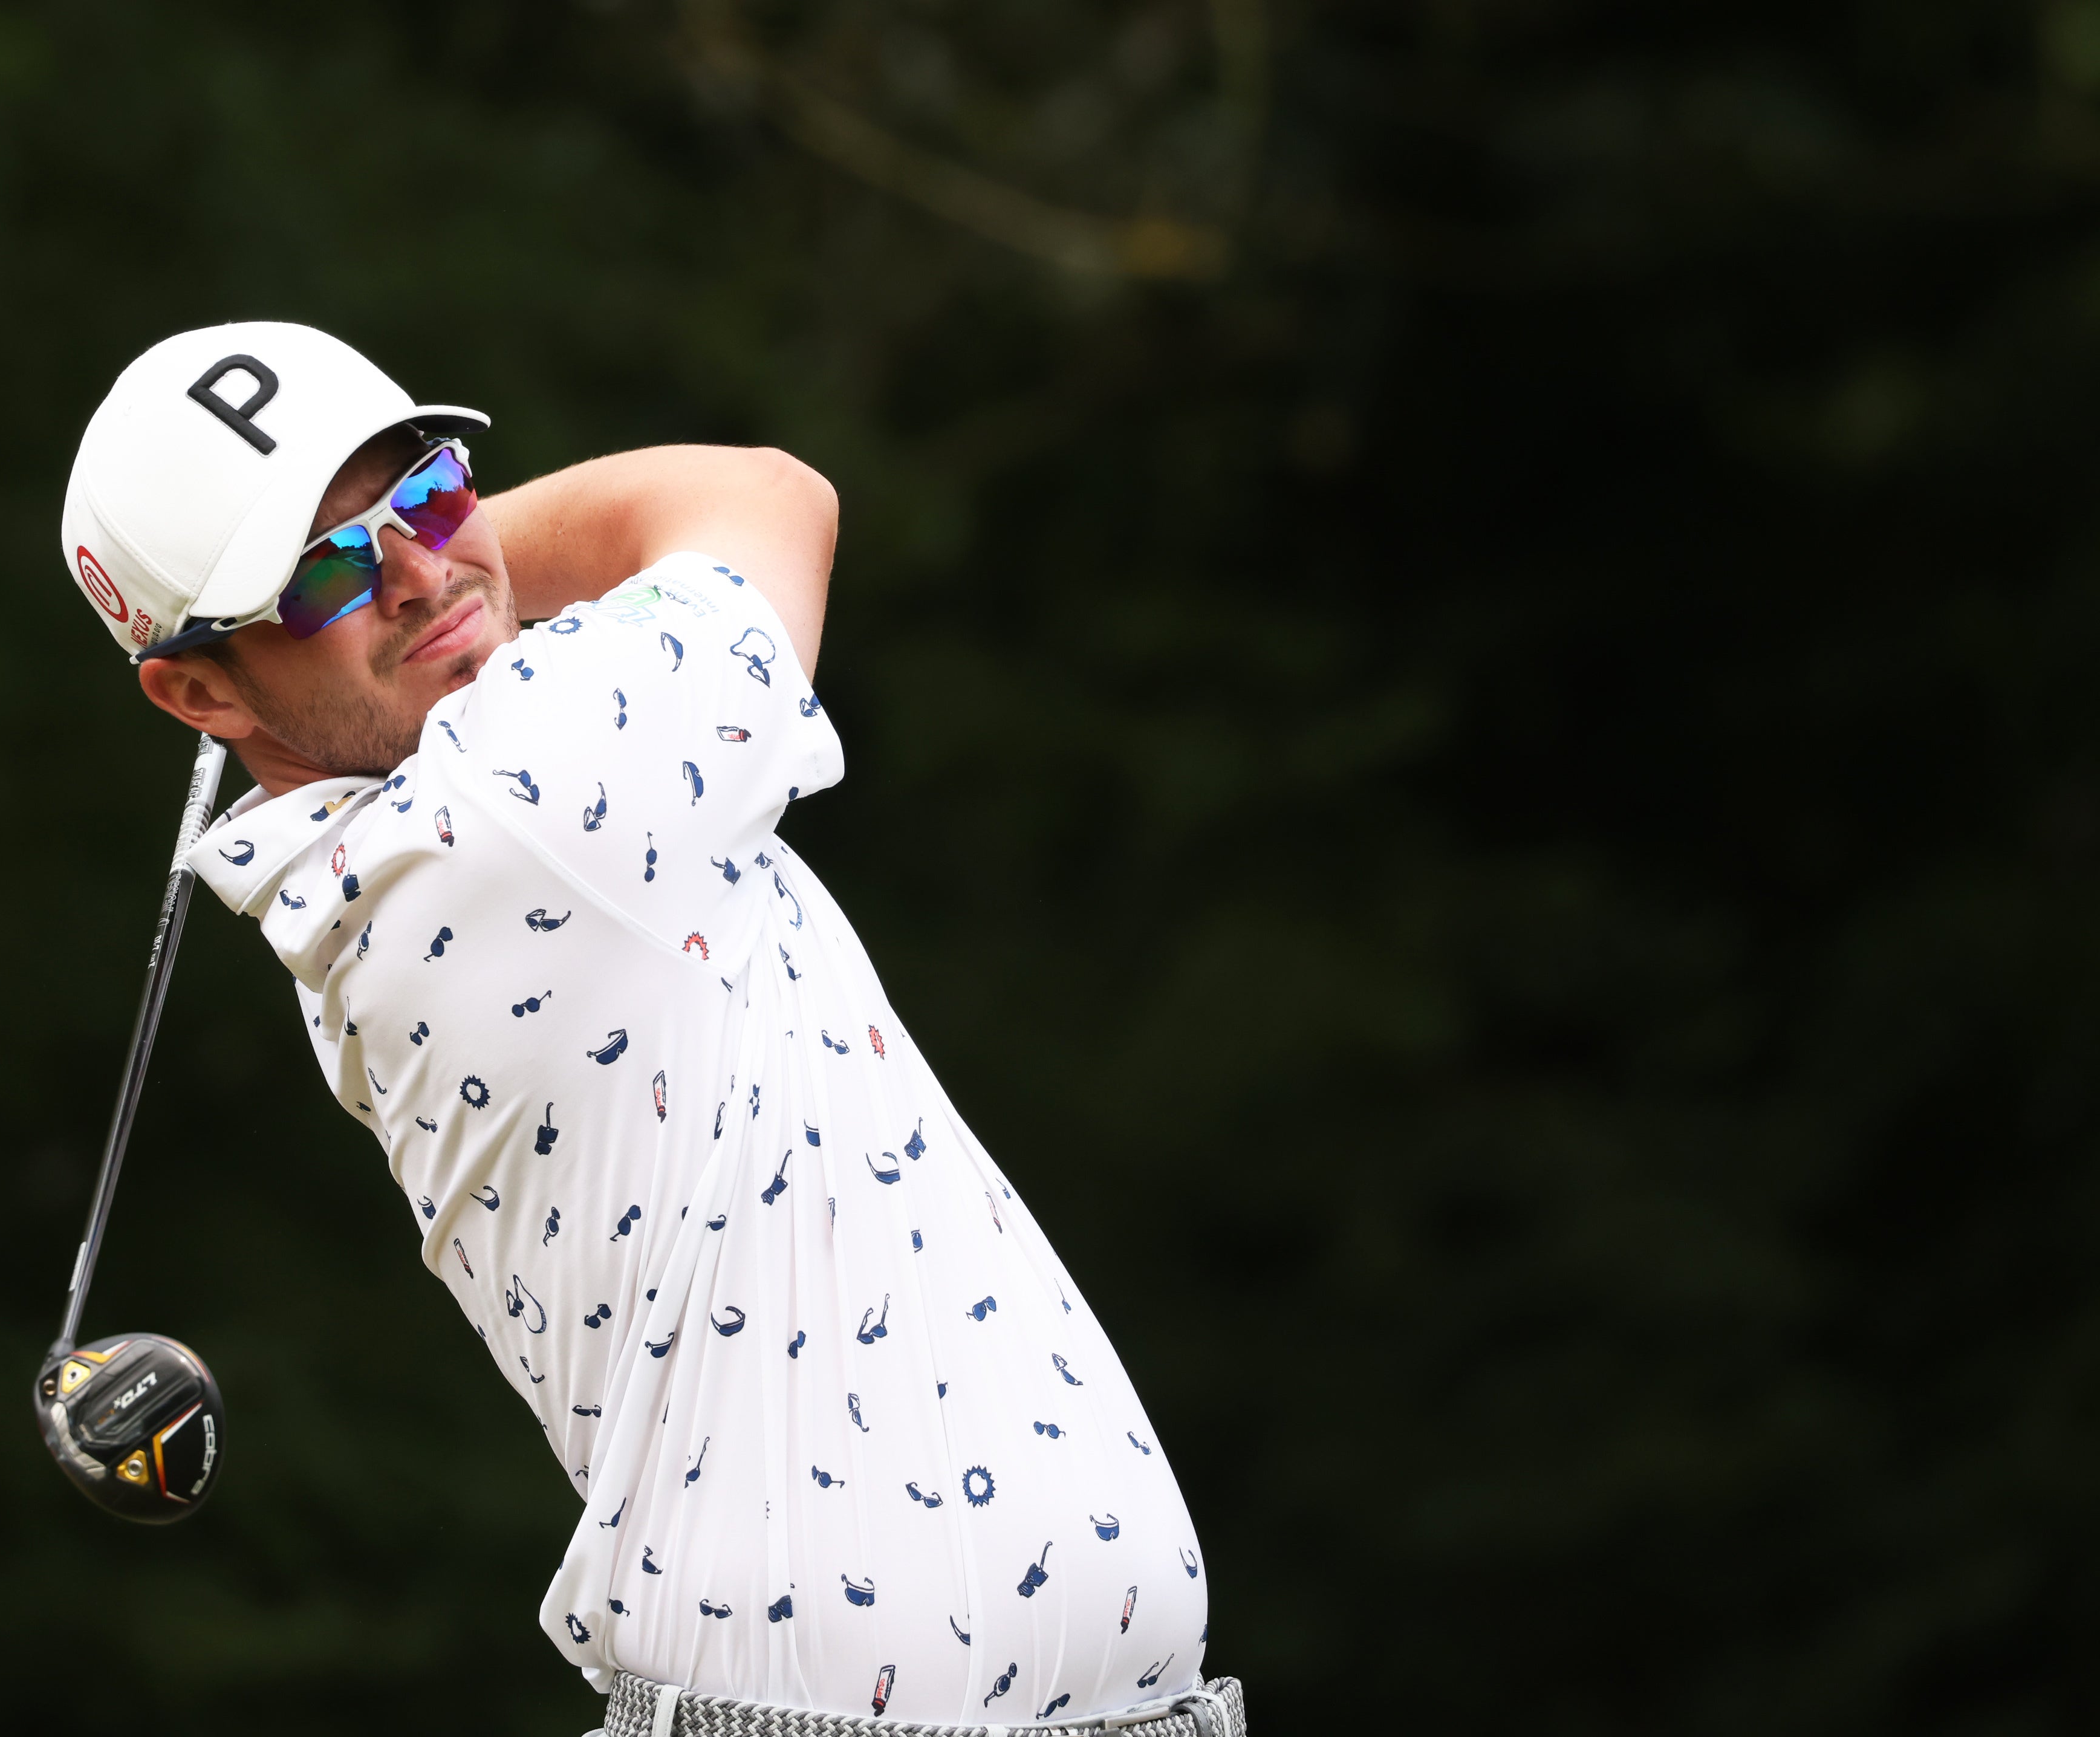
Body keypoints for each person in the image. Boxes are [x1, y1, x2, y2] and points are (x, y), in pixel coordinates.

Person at [62, 322, 1241, 1734]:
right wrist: (462, 557)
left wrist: (398, 579)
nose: (425, 574)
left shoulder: (445, 813)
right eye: (325, 571)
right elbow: (767, 494)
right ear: (197, 691)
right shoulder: (519, 807)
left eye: (432, 495)